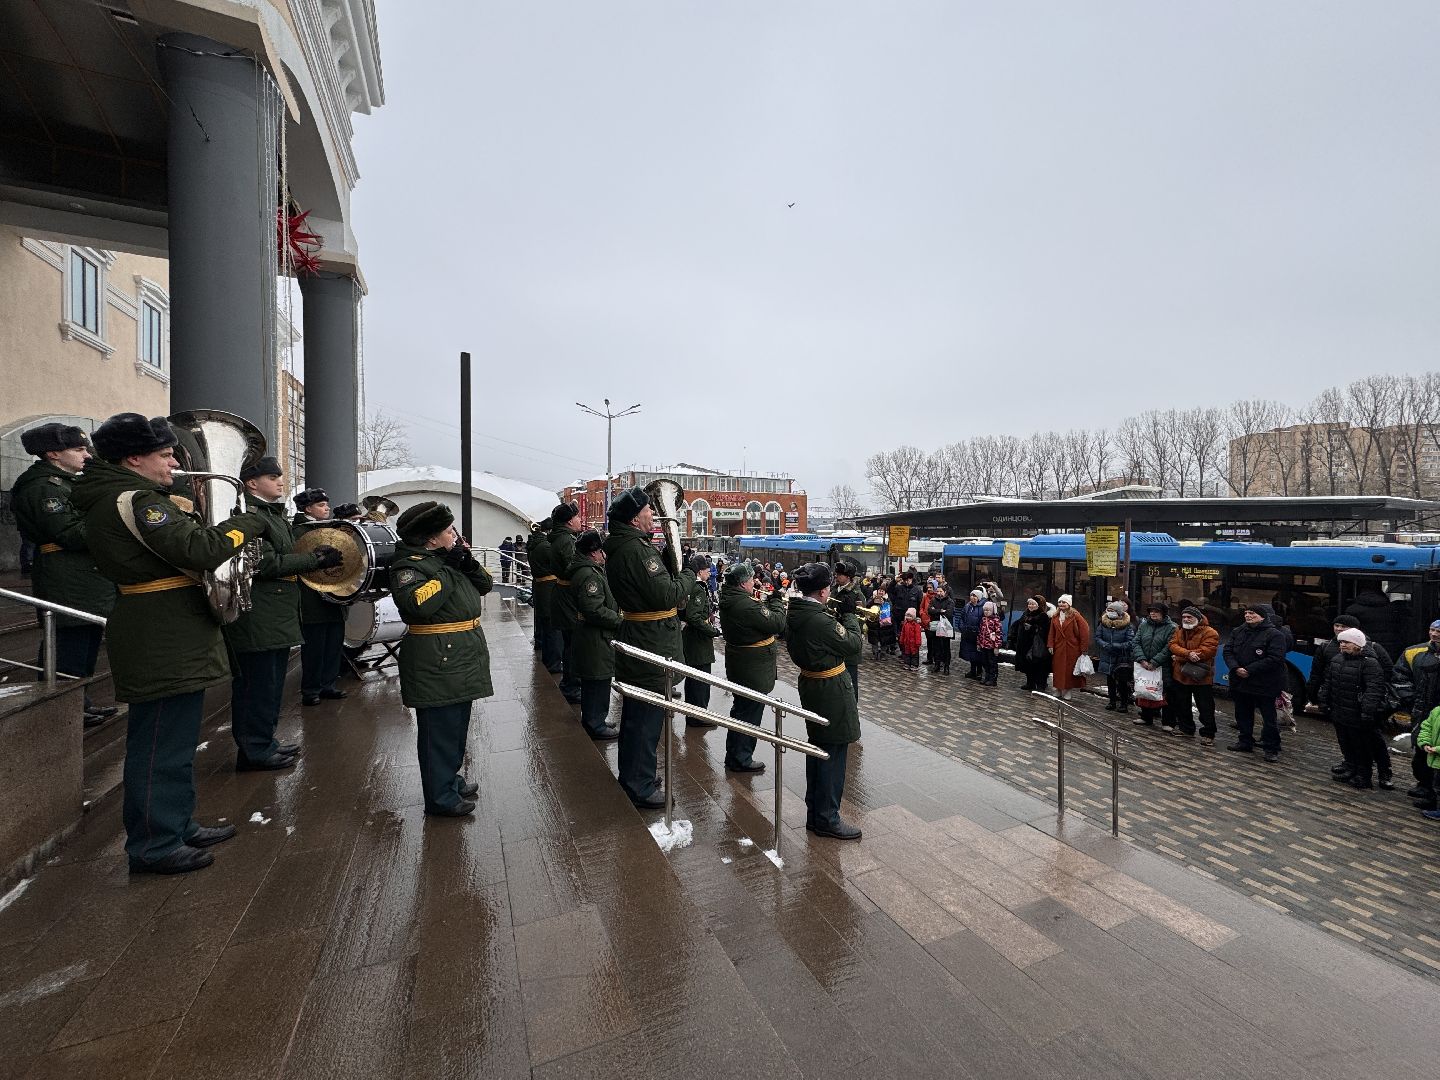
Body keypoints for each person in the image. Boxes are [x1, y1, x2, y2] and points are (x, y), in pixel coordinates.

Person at [72, 413, 271, 874]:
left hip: (169, 628)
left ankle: (175, 824)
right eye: (165, 455)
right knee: (161, 744)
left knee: (177, 742)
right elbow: (200, 551)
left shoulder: (134, 496)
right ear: (134, 458)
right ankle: (155, 843)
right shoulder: (136, 500)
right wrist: (247, 526)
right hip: (161, 633)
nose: (174, 464)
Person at [223, 458, 342, 770]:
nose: (280, 481)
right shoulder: (248, 514)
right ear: (251, 483)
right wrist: (313, 560)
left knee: (270, 685)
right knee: (256, 687)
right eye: (272, 476)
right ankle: (253, 751)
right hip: (259, 611)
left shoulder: (270, 515)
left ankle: (264, 742)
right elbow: (264, 563)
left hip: (274, 611)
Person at [391, 501, 493, 816]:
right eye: (449, 531)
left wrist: (468, 563)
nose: (456, 536)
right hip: (438, 659)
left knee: (457, 723)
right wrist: (449, 567)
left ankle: (450, 779)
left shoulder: (443, 558)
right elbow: (417, 604)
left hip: (459, 653)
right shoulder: (408, 566)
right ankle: (440, 796)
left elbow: (486, 585)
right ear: (432, 539)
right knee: (439, 729)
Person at [13, 422, 117, 725]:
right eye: (79, 449)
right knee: (68, 645)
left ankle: (78, 703)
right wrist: (109, 522)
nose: (87, 455)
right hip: (66, 576)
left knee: (85, 643)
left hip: (85, 576)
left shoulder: (67, 481)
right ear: (54, 453)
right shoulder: (43, 486)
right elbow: (68, 533)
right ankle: (60, 710)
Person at [604, 486, 693, 807]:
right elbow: (666, 595)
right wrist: (691, 575)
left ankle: (635, 773)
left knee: (639, 715)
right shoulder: (636, 551)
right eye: (649, 510)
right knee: (644, 719)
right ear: (634, 517)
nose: (654, 514)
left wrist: (671, 559)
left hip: (646, 636)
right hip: (651, 640)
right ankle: (638, 784)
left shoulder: (632, 547)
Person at [785, 561, 862, 840]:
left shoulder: (798, 611)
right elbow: (853, 645)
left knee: (818, 750)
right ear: (822, 591)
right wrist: (851, 616)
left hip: (814, 683)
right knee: (833, 752)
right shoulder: (818, 619)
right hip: (830, 688)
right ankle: (827, 818)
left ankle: (815, 815)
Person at [718, 560, 787, 772]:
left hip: (742, 664)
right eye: (750, 580)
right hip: (752, 668)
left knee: (741, 710)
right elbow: (777, 623)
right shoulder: (746, 604)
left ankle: (735, 755)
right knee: (749, 713)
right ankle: (741, 758)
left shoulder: (731, 598)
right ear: (741, 584)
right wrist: (776, 602)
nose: (753, 582)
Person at [1309, 615, 1394, 786]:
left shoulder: (1371, 659)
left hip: (1360, 711)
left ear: (1357, 642)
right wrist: (1321, 702)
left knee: (1368, 743)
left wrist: (1368, 711)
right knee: (1347, 741)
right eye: (1341, 641)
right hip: (1341, 709)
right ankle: (1351, 767)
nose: (1342, 643)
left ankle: (1378, 773)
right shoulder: (1335, 656)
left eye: (1346, 641)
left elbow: (1376, 686)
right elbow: (1327, 681)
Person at [292, 487, 347, 708]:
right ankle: (311, 689)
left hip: (334, 594)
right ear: (308, 509)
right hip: (311, 596)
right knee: (314, 646)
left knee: (333, 643)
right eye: (322, 506)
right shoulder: (297, 530)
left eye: (327, 505)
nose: (327, 509)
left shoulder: (330, 527)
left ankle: (328, 685)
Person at [568, 529, 620, 740]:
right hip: (595, 636)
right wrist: (619, 621)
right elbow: (594, 610)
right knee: (597, 679)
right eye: (600, 551)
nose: (603, 555)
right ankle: (594, 723)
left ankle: (596, 717)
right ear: (592, 553)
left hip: (593, 635)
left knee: (596, 680)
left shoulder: (588, 570)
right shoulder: (589, 575)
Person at [1223, 603, 1289, 762]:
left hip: (1264, 684)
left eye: (1252, 613)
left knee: (1269, 718)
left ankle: (1271, 748)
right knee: (1243, 714)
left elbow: (1275, 658)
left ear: (1262, 616)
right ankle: (1245, 741)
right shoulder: (1238, 631)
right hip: (1240, 682)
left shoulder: (1274, 634)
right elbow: (1228, 651)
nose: (1248, 616)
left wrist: (1249, 670)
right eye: (1246, 613)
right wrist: (1235, 668)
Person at [1394, 621, 1440, 811]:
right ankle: (1424, 785)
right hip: (1422, 712)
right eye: (1432, 630)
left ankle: (1434, 794)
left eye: (1439, 631)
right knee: (1421, 750)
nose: (1435, 634)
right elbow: (1399, 676)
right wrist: (1412, 700)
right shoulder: (1414, 652)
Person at [548, 503, 584, 703]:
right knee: (573, 645)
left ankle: (569, 683)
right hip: (568, 597)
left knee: (570, 643)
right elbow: (573, 567)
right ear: (570, 521)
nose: (580, 520)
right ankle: (571, 686)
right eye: (577, 517)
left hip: (563, 595)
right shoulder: (566, 541)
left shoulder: (561, 538)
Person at [1168, 606, 1220, 741]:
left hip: (1201, 677)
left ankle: (1208, 733)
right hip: (1180, 674)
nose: (1186, 619)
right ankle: (1186, 729)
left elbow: (1206, 651)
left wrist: (1179, 657)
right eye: (1184, 617)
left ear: (1197, 618)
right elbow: (1173, 645)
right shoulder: (1179, 630)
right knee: (1182, 703)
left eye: (1189, 617)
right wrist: (1187, 654)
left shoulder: (1210, 632)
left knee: (1205, 706)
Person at [680, 553, 720, 724]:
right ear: (699, 571)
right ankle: (698, 717)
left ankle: (694, 714)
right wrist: (712, 631)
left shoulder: (696, 586)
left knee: (695, 679)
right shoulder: (698, 588)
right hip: (698, 640)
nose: (709, 573)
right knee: (700, 680)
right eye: (706, 570)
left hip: (695, 638)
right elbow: (694, 617)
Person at [1132, 602, 1176, 727]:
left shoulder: (1171, 627)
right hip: (1144, 664)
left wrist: (1155, 662)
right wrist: (1142, 660)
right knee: (1145, 690)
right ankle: (1146, 716)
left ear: (1163, 613)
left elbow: (1169, 647)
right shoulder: (1144, 625)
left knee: (1165, 693)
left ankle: (1168, 722)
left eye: (1156, 611)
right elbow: (1136, 642)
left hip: (1162, 666)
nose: (1153, 613)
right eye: (1151, 611)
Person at [831, 560, 866, 700]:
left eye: (840, 574)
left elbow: (861, 618)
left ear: (848, 577)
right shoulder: (834, 590)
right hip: (835, 637)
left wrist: (847, 613)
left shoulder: (857, 594)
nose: (837, 576)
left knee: (851, 679)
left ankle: (852, 705)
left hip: (848, 637)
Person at [1047, 594, 1091, 701]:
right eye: (1060, 602)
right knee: (1058, 670)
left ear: (1069, 604)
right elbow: (1051, 632)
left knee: (1069, 671)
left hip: (1072, 648)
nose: (1061, 604)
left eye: (1064, 602)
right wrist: (1050, 644)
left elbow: (1084, 631)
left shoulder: (1076, 616)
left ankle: (1067, 690)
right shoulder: (1055, 616)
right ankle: (1057, 688)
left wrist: (1083, 648)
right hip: (1059, 647)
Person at [1095, 601, 1135, 712]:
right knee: (1110, 680)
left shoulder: (1127, 625)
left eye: (1113, 611)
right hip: (1107, 655)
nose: (1110, 613)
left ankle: (1124, 703)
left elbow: (1131, 642)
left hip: (1121, 657)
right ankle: (1112, 701)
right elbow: (1098, 637)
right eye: (1109, 610)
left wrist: (1116, 646)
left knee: (1122, 681)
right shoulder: (1103, 623)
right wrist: (1105, 645)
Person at [1010, 596, 1052, 693]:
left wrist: (1032, 628)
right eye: (1029, 604)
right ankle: (1030, 682)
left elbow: (1045, 631)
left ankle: (1041, 684)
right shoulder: (1025, 614)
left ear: (1039, 605)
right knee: (1027, 665)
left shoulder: (1043, 616)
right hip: (1025, 645)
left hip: (1037, 646)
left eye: (1033, 604)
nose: (1030, 606)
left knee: (1039, 666)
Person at [527, 517, 555, 661]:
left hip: (539, 585)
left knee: (542, 621)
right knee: (549, 626)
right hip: (547, 587)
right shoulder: (545, 546)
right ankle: (551, 660)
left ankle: (541, 645)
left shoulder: (533, 543)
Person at [1415, 703, 1440, 820]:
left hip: (1437, 753)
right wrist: (1425, 743)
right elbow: (1426, 727)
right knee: (1436, 784)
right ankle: (1435, 804)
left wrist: (1437, 749)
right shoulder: (1436, 711)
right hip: (1435, 758)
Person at [957, 588, 987, 679]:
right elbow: (961, 618)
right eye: (971, 595)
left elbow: (984, 621)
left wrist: (979, 630)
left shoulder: (983, 607)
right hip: (967, 634)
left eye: (974, 596)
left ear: (979, 597)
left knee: (978, 654)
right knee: (970, 654)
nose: (972, 597)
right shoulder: (967, 606)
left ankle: (979, 672)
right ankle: (972, 671)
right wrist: (962, 628)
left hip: (977, 635)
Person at [976, 600, 1003, 686]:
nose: (986, 612)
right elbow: (980, 632)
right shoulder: (983, 619)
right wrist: (979, 643)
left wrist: (996, 647)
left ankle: (993, 679)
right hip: (984, 645)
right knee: (985, 662)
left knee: (992, 663)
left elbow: (998, 634)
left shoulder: (996, 620)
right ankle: (987, 677)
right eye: (985, 610)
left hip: (991, 646)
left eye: (988, 610)